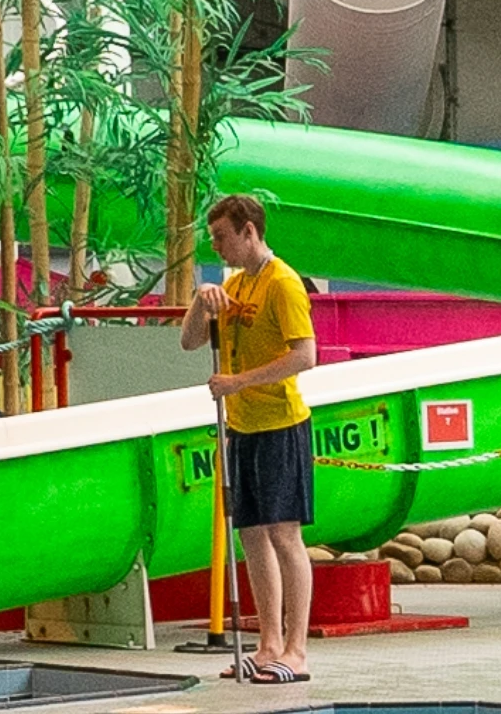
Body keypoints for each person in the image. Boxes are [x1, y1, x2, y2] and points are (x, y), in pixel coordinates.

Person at [181, 194, 317, 686]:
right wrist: (202, 301)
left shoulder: (283, 283)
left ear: (249, 231)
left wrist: (239, 382)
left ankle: (297, 650)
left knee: (284, 535)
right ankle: (267, 644)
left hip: (280, 424)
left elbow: (305, 356)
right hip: (241, 427)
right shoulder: (233, 284)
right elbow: (190, 340)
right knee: (252, 536)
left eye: (221, 236)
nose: (216, 245)